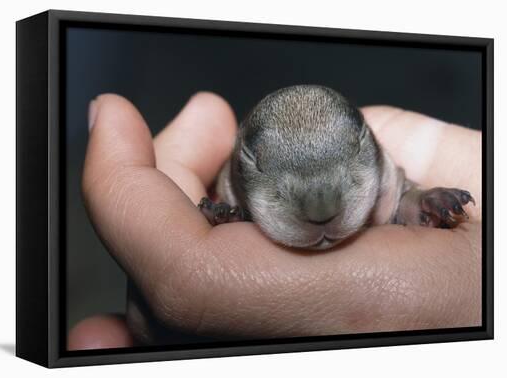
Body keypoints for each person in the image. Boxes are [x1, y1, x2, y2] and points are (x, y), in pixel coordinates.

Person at [68, 92, 482, 350]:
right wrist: (228, 219)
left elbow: (401, 195)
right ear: (237, 167)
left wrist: (420, 204)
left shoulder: (385, 170)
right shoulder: (229, 186)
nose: (320, 211)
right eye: (260, 165)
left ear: (370, 143)